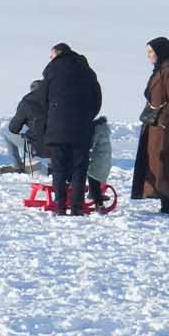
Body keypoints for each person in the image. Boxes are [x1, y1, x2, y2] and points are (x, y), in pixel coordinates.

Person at [130, 36, 169, 219]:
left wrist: (163, 119)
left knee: (166, 164)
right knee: (160, 165)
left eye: (151, 52)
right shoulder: (160, 70)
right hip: (157, 126)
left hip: (166, 128)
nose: (149, 55)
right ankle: (167, 202)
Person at [40, 43, 102, 216]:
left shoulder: (52, 70)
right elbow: (97, 99)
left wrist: (49, 118)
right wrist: (87, 116)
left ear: (57, 54)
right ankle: (77, 207)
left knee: (58, 168)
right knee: (79, 167)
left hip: (57, 127)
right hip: (82, 127)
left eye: (51, 56)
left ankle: (60, 206)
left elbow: (42, 98)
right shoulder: (87, 71)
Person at [0, 77, 49, 175]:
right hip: (57, 143)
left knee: (6, 132)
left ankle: (17, 165)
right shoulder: (56, 101)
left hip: (36, 145)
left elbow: (13, 128)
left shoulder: (27, 102)